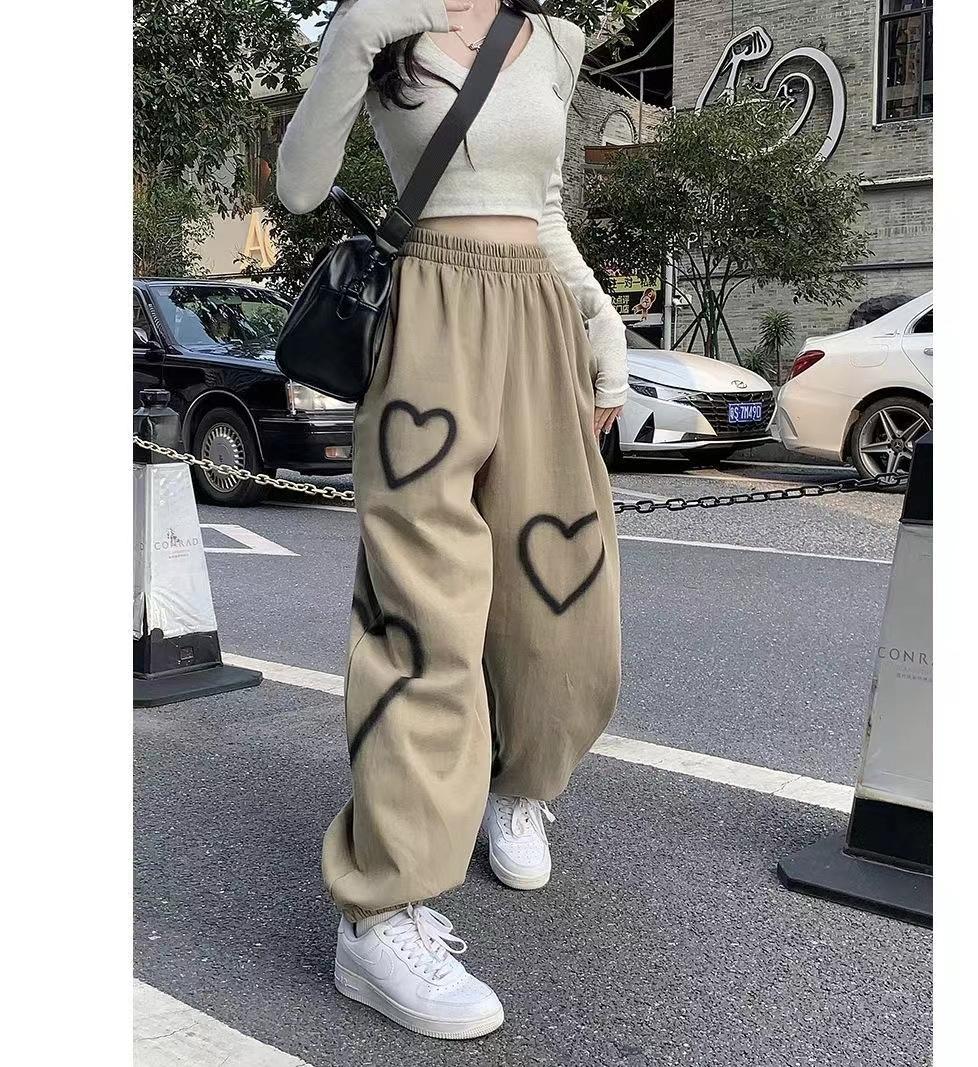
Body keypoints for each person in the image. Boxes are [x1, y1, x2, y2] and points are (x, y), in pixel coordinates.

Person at [277, 0, 626, 1040]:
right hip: (427, 317)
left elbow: (543, 208)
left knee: (566, 604)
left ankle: (518, 783)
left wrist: (599, 318)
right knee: (422, 612)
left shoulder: (555, 40)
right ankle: (379, 909)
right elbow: (298, 188)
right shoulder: (382, 28)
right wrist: (355, 33)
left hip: (539, 321)